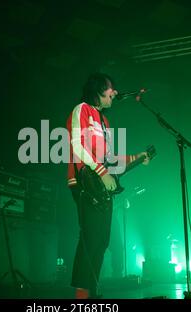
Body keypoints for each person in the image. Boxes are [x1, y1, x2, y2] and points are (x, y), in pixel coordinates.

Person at [66, 73, 149, 299]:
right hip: (84, 182)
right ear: (97, 91)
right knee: (91, 238)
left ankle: (91, 293)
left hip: (102, 184)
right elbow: (76, 145)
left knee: (101, 240)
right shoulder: (81, 109)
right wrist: (102, 173)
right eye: (110, 88)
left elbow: (110, 158)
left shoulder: (105, 121)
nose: (114, 92)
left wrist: (136, 158)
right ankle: (81, 298)